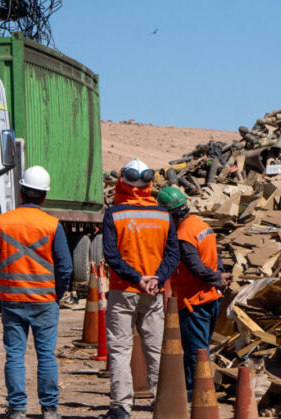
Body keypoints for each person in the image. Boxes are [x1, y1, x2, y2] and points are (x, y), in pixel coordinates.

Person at [0, 166, 72, 419]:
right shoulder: (52, 225)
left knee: (14, 355)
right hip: (45, 300)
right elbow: (64, 267)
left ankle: (17, 409)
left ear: (22, 192)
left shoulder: (1, 222)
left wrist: (0, 288)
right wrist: (57, 294)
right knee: (46, 355)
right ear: (44, 196)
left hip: (12, 300)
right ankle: (50, 409)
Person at [98, 159, 180, 419]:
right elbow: (172, 254)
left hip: (124, 290)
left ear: (123, 182)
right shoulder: (163, 215)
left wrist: (137, 279)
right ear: (148, 184)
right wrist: (155, 279)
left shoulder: (115, 214)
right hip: (152, 293)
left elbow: (111, 255)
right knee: (155, 348)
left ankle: (121, 407)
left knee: (121, 349)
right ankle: (162, 402)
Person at [156, 185, 230, 394]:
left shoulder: (182, 236)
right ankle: (201, 389)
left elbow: (195, 267)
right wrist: (220, 276)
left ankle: (194, 394)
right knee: (202, 350)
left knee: (195, 353)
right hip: (212, 298)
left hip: (194, 302)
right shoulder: (201, 225)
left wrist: (216, 278)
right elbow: (216, 256)